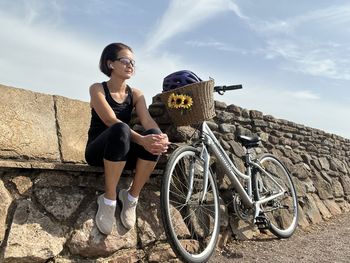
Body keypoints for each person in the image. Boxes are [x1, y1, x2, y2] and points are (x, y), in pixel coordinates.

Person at [85, 42, 169, 235]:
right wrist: (141, 140)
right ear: (110, 64)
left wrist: (159, 137)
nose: (130, 65)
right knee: (121, 127)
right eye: (125, 60)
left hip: (122, 151)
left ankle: (131, 197)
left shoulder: (136, 94)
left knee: (153, 136)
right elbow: (109, 119)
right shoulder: (97, 88)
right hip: (98, 150)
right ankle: (109, 199)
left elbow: (147, 121)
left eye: (132, 62)